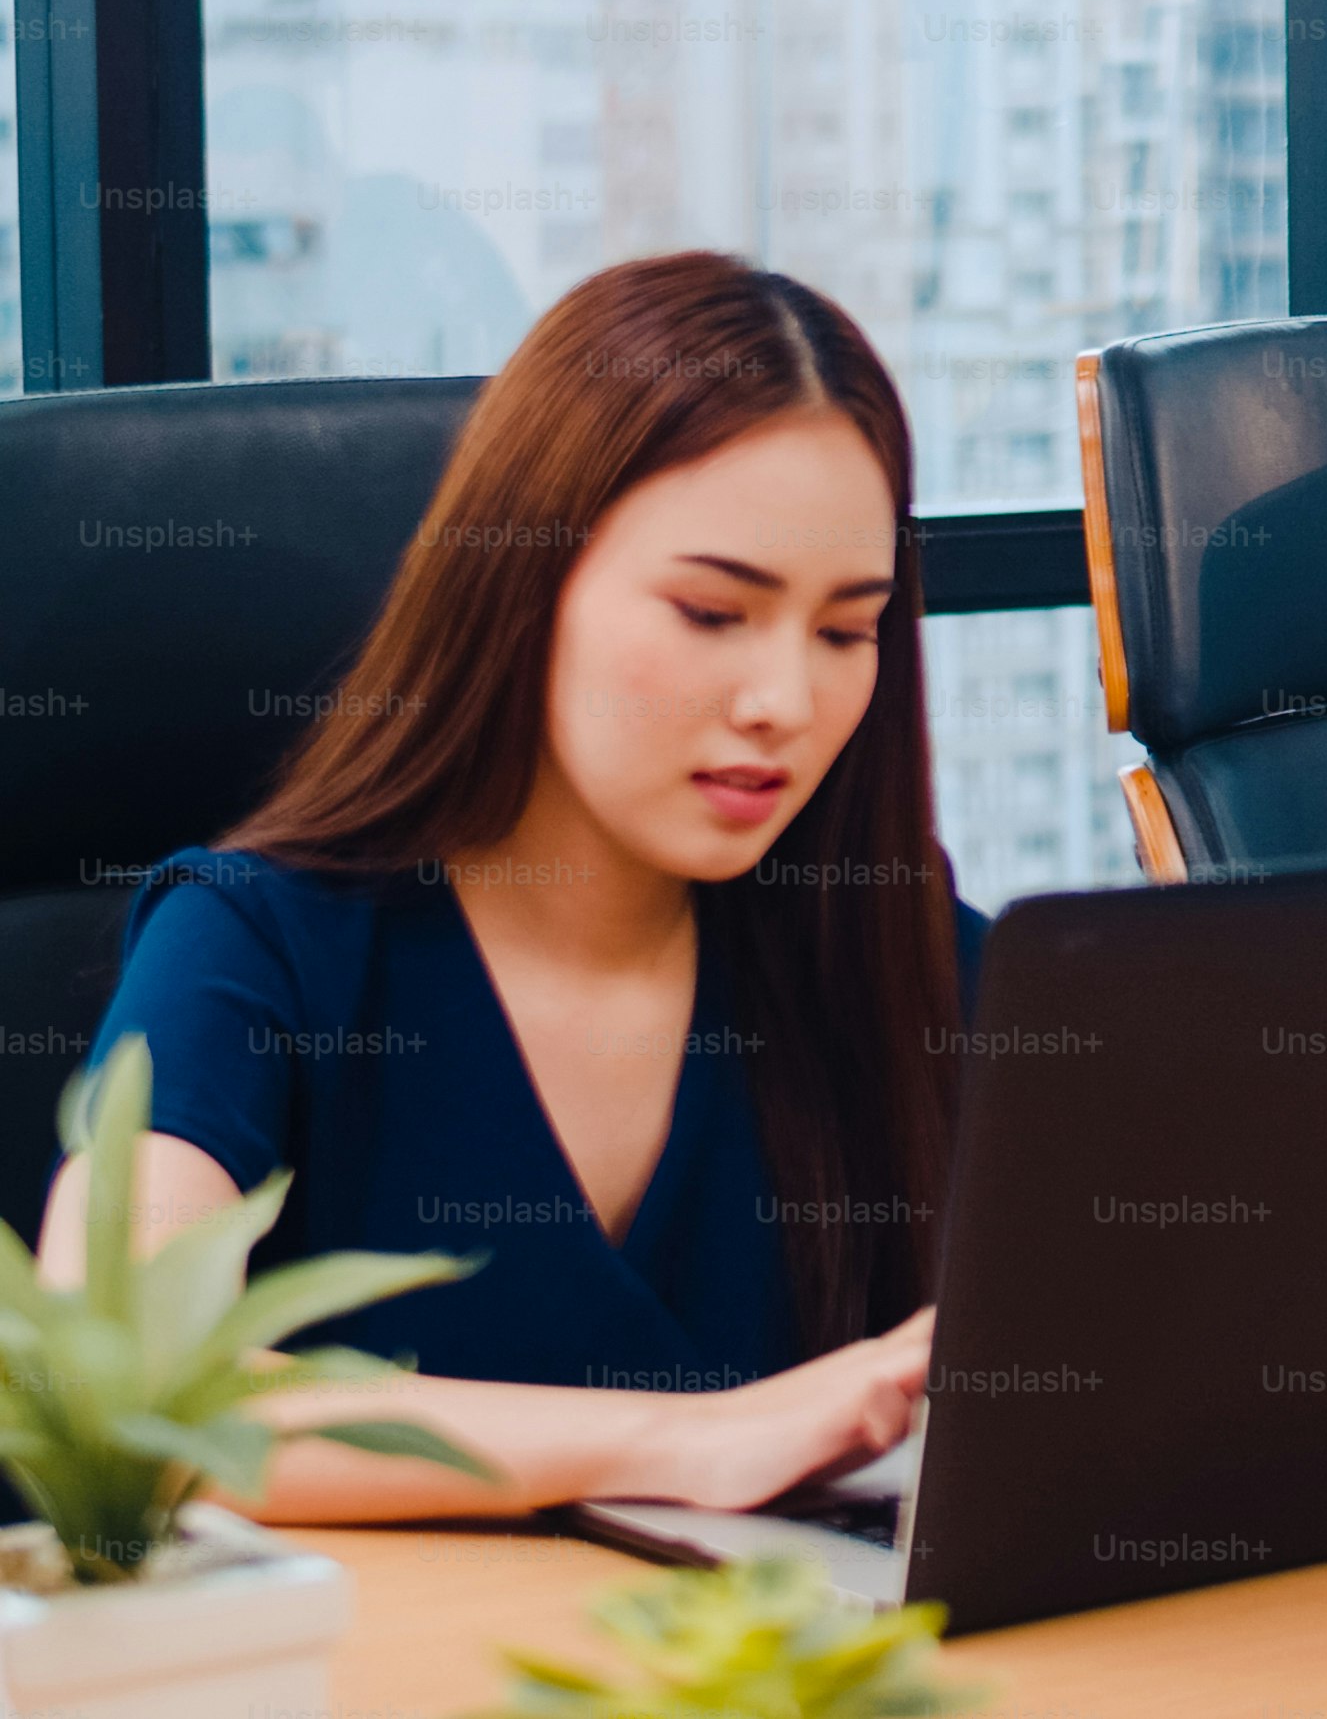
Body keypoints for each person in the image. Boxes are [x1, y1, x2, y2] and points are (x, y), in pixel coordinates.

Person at [46, 251, 971, 1520]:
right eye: (711, 612)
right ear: (523, 587)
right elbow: (127, 1390)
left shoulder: (884, 944)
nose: (784, 706)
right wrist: (682, 1441)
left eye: (844, 631)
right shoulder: (253, 945)